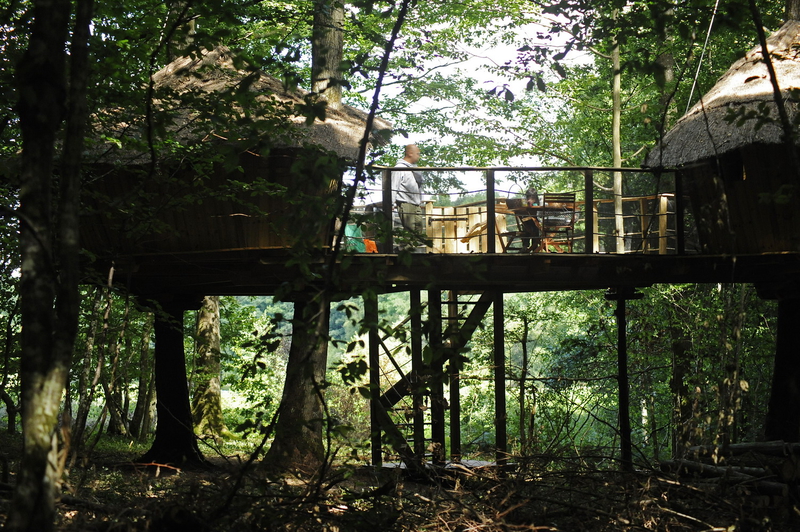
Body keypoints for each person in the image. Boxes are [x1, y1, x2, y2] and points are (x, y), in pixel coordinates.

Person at [392, 144, 425, 238]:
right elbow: (393, 186)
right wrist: (391, 203)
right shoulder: (399, 168)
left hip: (416, 203)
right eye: (417, 154)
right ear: (410, 153)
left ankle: (406, 250)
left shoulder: (414, 169)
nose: (419, 156)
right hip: (405, 203)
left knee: (418, 232)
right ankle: (403, 250)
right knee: (409, 232)